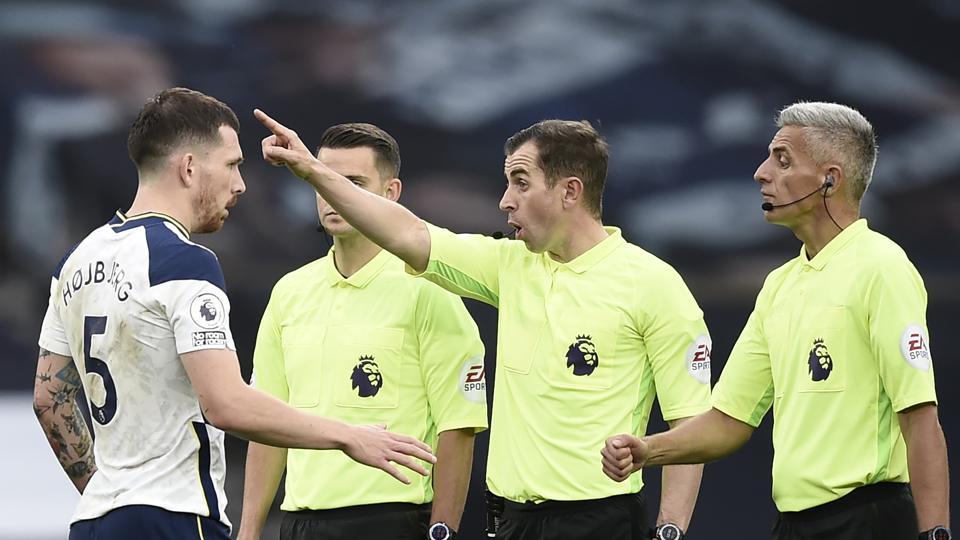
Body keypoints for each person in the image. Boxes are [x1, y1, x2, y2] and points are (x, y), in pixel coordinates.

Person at [255, 109, 713, 540]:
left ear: (569, 191)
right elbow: (409, 233)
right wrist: (313, 171)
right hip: (508, 520)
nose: (504, 201)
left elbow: (690, 420)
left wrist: (669, 529)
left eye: (520, 182)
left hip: (599, 519)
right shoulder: (508, 266)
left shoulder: (653, 283)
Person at [32, 88, 435, 540]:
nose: (240, 184)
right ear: (188, 168)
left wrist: (106, 494)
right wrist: (348, 435)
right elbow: (226, 404)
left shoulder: (75, 262)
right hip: (174, 516)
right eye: (231, 165)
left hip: (94, 521)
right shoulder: (183, 260)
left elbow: (50, 398)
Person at [601, 101, 951, 539]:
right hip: (793, 524)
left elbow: (920, 419)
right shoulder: (779, 285)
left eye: (782, 160)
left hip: (868, 519)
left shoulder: (882, 267)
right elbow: (729, 421)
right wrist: (646, 450)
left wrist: (935, 533)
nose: (762, 172)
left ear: (829, 180)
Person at [237, 123, 488, 540]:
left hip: (392, 520)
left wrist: (443, 532)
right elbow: (268, 423)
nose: (334, 194)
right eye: (324, 180)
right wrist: (248, 533)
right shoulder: (289, 292)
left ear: (391, 194)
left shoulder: (429, 288)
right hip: (300, 520)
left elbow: (458, 425)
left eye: (352, 182)